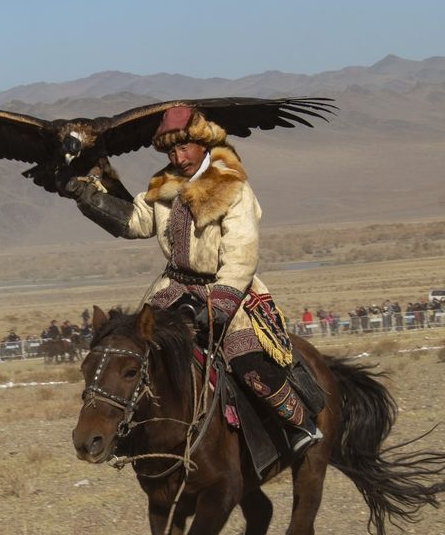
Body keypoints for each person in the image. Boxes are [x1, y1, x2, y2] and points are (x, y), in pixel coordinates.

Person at [59, 105, 320, 454]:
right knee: (132, 355)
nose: (178, 157)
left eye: (184, 148)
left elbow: (241, 255)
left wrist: (221, 304)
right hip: (173, 289)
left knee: (247, 361)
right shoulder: (164, 184)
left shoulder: (232, 187)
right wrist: (89, 198)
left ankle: (299, 424)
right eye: (171, 151)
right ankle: (126, 430)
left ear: (202, 144)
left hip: (227, 289)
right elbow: (138, 222)